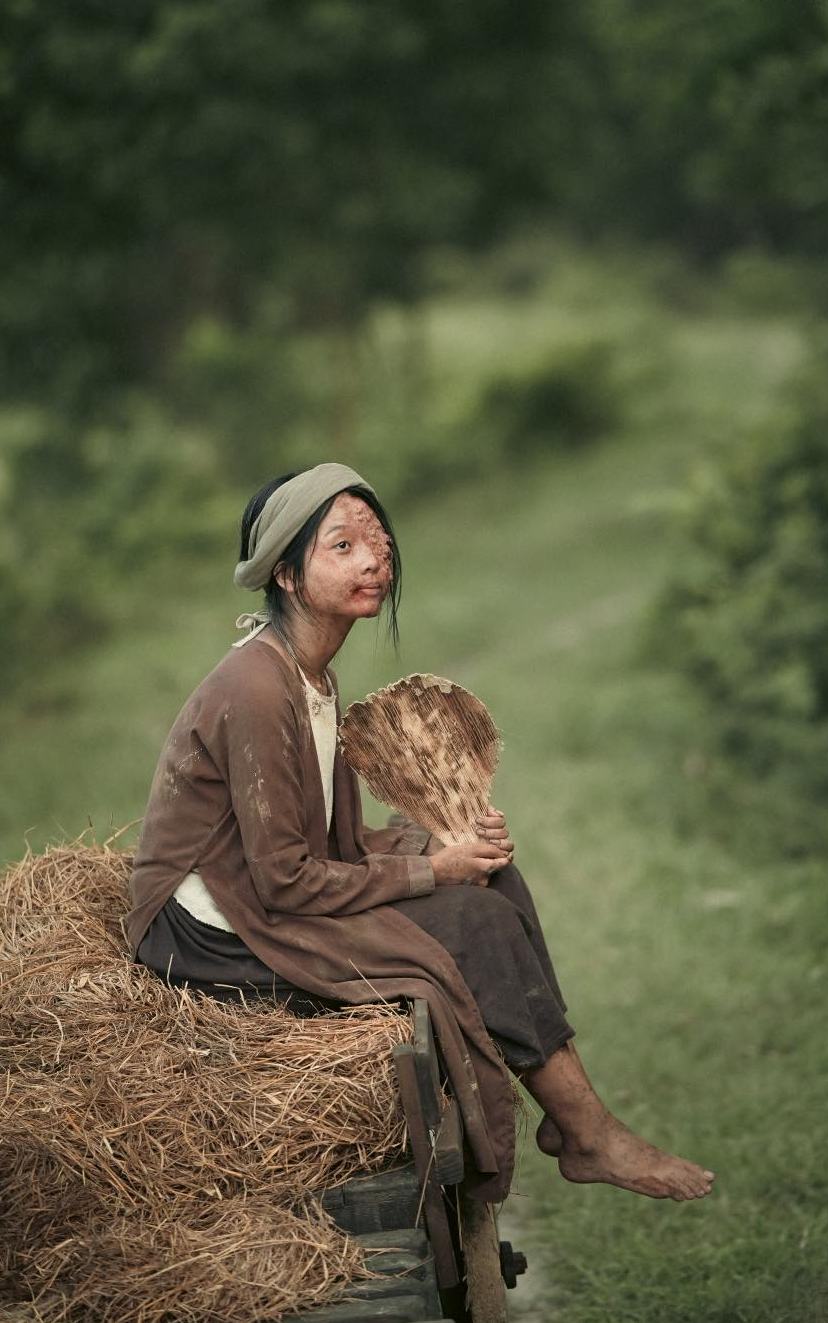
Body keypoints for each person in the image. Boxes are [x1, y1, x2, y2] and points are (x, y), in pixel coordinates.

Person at [126, 463, 715, 1204]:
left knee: (492, 873)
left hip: (259, 892)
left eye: (378, 543)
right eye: (342, 546)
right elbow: (281, 879)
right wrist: (434, 872)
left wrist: (442, 840)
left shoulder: (312, 676)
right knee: (466, 917)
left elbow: (331, 839)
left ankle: (571, 1122)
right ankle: (591, 1132)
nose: (374, 560)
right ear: (284, 574)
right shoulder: (254, 689)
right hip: (211, 931)